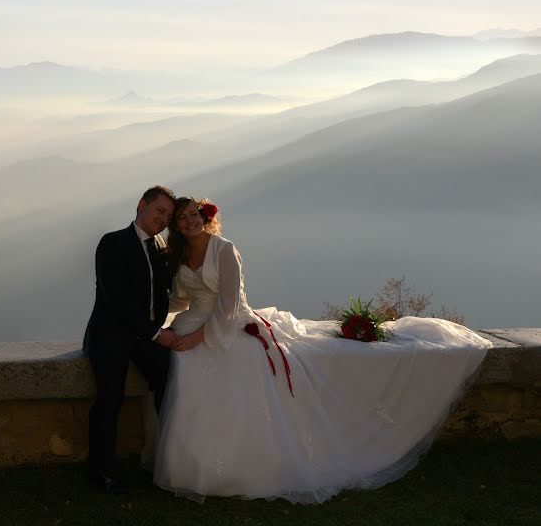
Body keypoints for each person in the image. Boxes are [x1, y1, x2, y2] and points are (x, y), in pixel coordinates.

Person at [153, 196, 492, 503]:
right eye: (181, 218)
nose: (189, 221)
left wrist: (200, 337)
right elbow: (182, 299)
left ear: (204, 215)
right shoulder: (179, 254)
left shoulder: (223, 249)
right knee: (186, 368)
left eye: (193, 214)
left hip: (230, 327)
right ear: (176, 225)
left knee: (231, 368)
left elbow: (228, 306)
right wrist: (157, 319)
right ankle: (192, 466)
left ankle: (240, 466)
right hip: (190, 324)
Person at [83, 185, 178, 494]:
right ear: (141, 206)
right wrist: (155, 334)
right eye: (159, 211)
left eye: (168, 216)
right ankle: (101, 470)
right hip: (110, 333)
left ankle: (170, 459)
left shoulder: (161, 247)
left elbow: (164, 293)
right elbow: (116, 300)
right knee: (110, 398)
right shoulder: (112, 243)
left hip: (144, 335)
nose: (163, 219)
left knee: (173, 380)